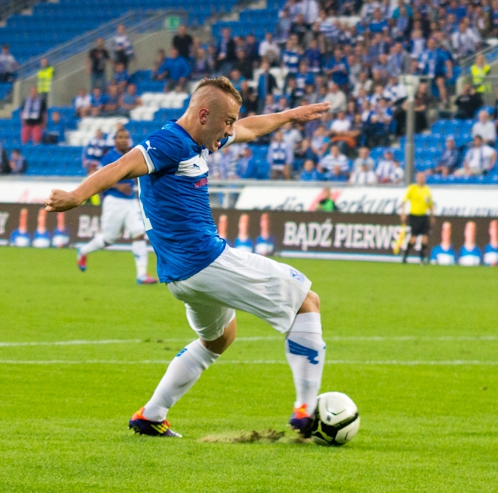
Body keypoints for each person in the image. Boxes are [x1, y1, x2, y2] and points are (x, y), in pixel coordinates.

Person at [44, 77, 330, 438]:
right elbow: (120, 167)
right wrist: (76, 196)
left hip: (182, 278)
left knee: (220, 339)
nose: (229, 130)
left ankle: (151, 414)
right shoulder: (169, 142)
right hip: (205, 261)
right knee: (307, 301)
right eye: (226, 121)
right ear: (204, 114)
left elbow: (248, 129)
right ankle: (306, 411)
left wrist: (290, 115)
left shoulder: (200, 140)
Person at [75, 129, 159, 284]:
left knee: (139, 233)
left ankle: (141, 275)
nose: (123, 140)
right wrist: (118, 186)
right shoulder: (109, 157)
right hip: (113, 201)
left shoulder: (132, 155)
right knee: (109, 239)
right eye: (120, 137)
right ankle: (83, 250)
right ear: (114, 140)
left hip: (130, 201)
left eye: (126, 137)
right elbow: (97, 178)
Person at [399, 172, 433, 264]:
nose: (422, 179)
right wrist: (403, 213)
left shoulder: (427, 190)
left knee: (425, 238)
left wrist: (432, 216)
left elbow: (430, 204)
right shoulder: (412, 188)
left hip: (424, 216)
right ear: (417, 178)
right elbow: (404, 202)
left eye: (423, 177)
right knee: (413, 239)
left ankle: (422, 257)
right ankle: (405, 255)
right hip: (414, 216)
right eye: (420, 177)